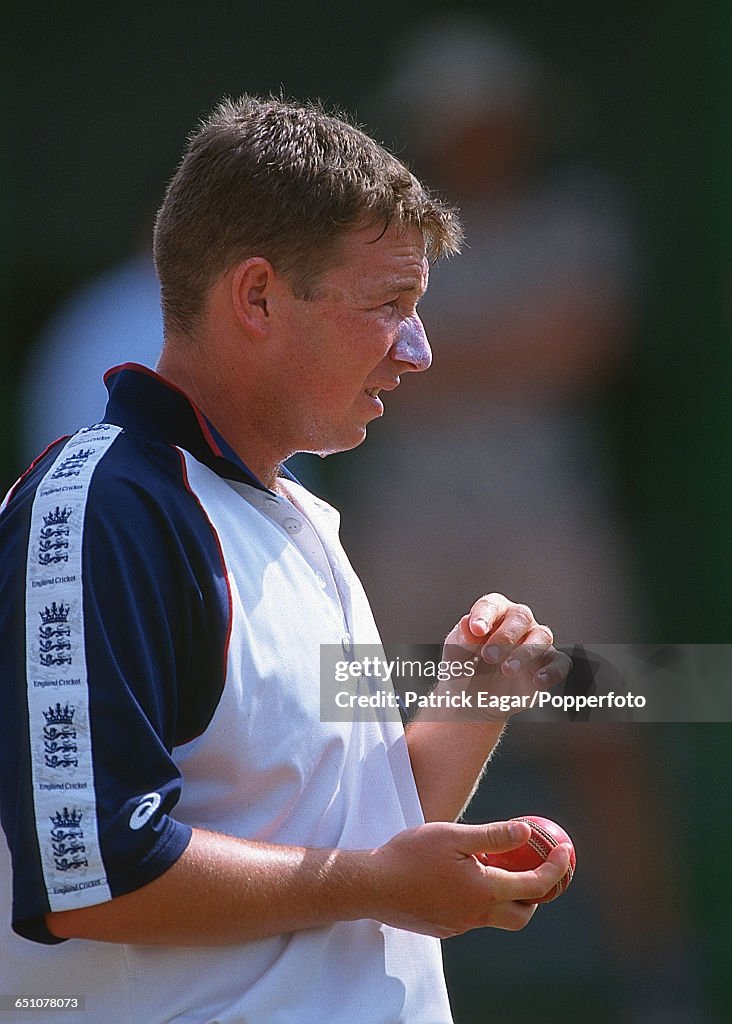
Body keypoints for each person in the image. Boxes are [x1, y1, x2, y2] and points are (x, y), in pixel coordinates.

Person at [0, 95, 571, 1024]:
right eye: (390, 304)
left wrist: (469, 706)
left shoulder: (294, 515)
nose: (418, 351)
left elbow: (340, 843)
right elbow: (90, 871)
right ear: (257, 295)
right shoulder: (106, 507)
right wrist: (375, 884)